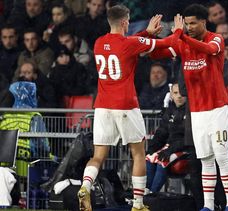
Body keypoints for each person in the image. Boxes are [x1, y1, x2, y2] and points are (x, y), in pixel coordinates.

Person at [77, 5, 184, 211]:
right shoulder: (130, 43)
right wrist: (178, 30)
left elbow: (130, 44)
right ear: (126, 22)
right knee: (138, 153)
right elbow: (167, 43)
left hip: (101, 107)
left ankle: (85, 186)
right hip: (125, 105)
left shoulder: (99, 43)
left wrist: (146, 33)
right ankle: (138, 204)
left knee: (98, 156)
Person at [150, 4, 228, 211]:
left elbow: (208, 50)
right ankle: (207, 206)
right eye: (186, 24)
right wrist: (150, 36)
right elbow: (156, 54)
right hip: (197, 111)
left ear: (204, 22)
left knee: (221, 155)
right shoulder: (183, 43)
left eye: (193, 23)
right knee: (205, 157)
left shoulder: (216, 39)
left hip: (218, 108)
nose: (189, 27)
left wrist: (180, 35)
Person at [145, 83, 187, 193]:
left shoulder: (191, 112)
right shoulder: (169, 111)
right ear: (171, 95)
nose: (179, 96)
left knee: (162, 161)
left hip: (187, 149)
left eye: (182, 93)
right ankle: (145, 193)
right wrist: (152, 148)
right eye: (175, 93)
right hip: (170, 147)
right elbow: (161, 133)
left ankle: (152, 195)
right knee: (150, 158)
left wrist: (170, 150)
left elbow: (188, 138)